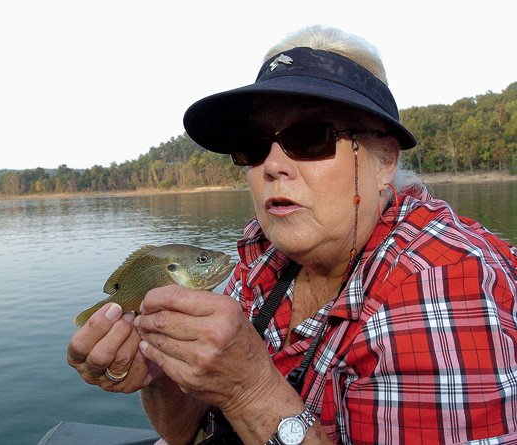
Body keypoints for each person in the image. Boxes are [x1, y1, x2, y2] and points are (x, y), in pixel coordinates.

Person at [67, 24, 517, 445]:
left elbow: (246, 395)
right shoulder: (264, 257)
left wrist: (251, 390)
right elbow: (186, 433)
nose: (272, 165)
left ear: (384, 162)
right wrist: (163, 369)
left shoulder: (447, 289)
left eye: (310, 137)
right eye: (253, 144)